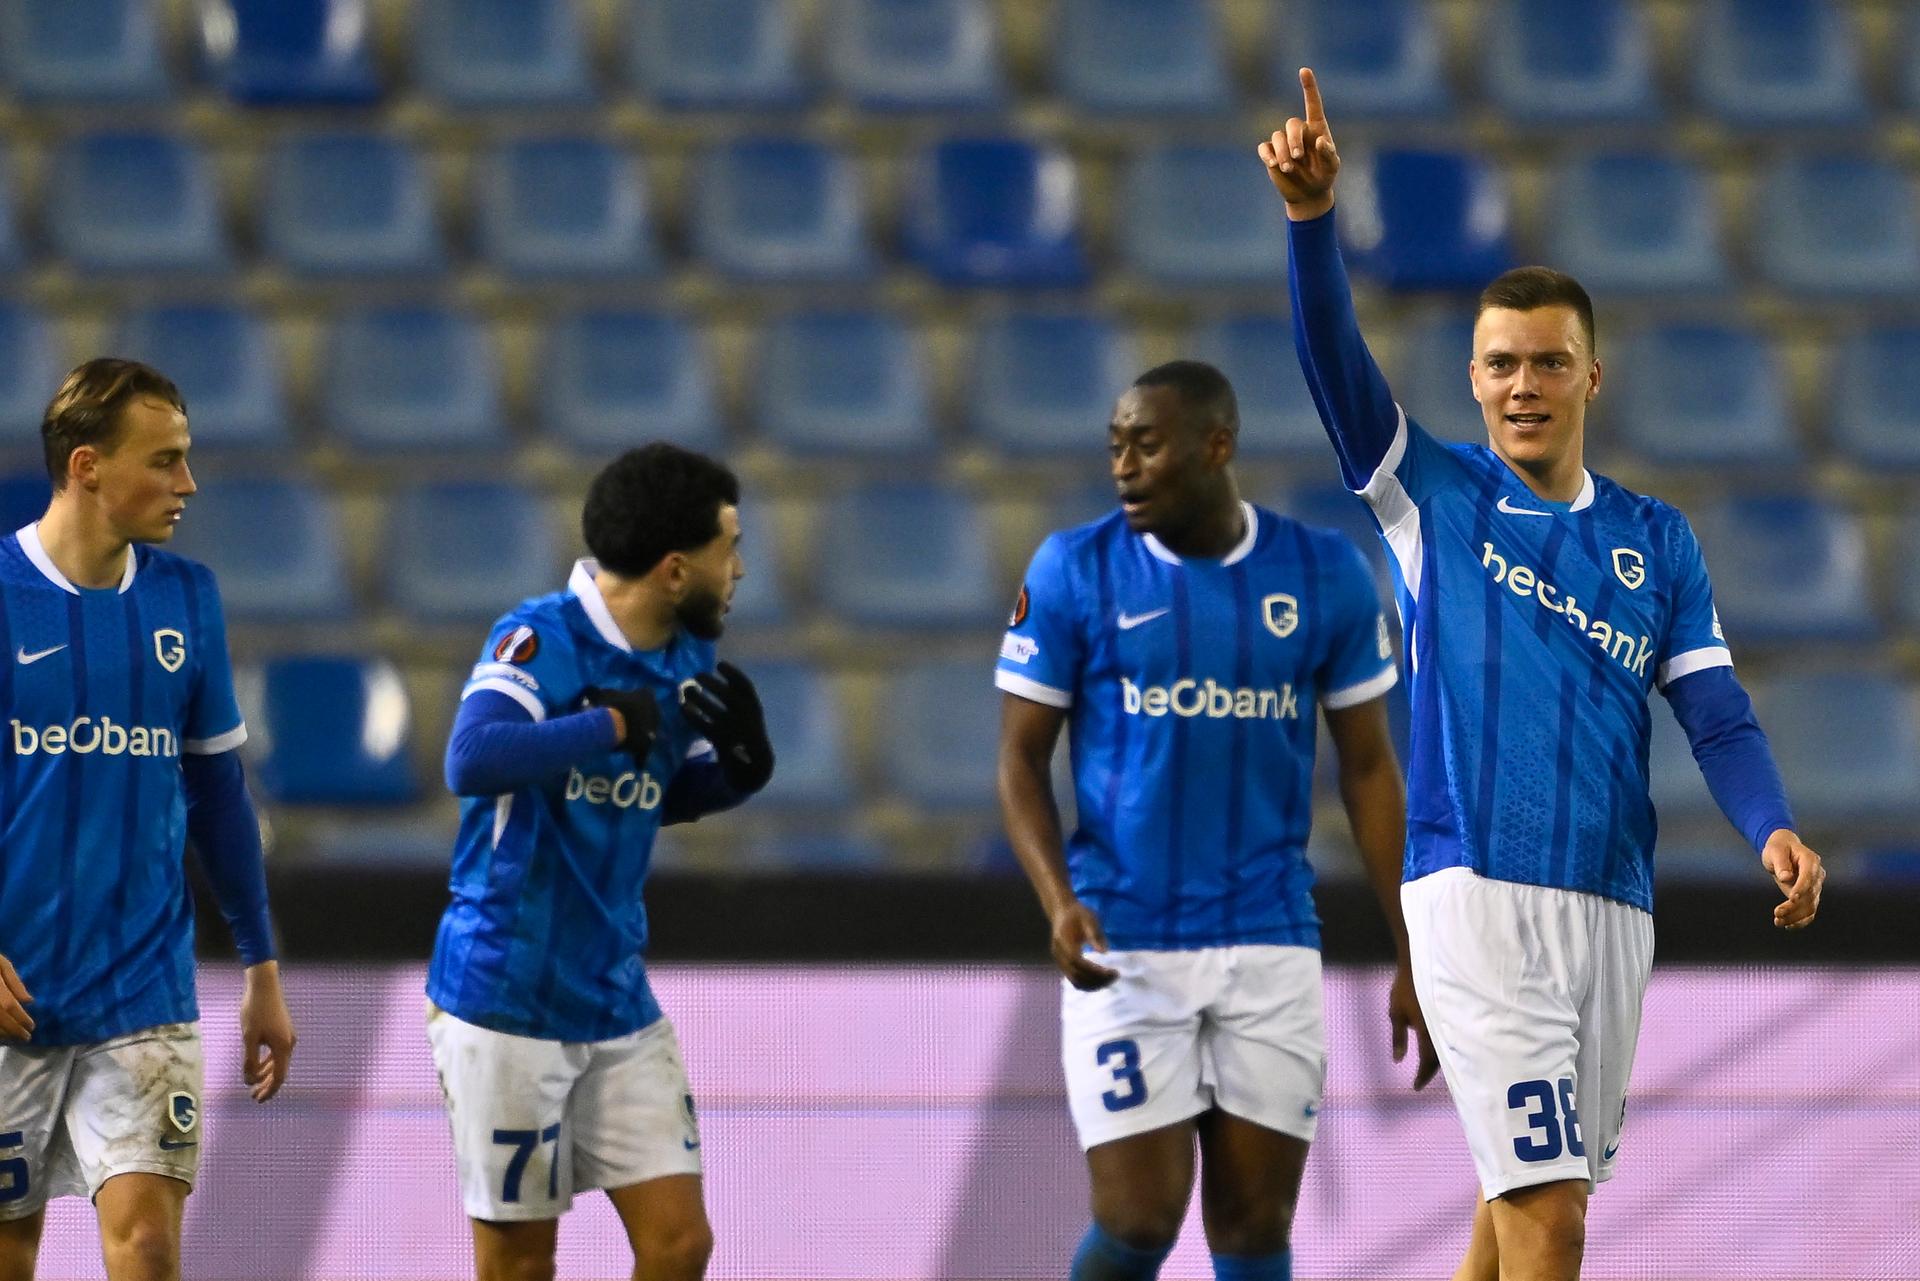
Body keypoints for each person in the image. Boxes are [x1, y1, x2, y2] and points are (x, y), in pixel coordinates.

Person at [1259, 69, 1827, 1281]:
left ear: (1591, 379)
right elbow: (1333, 366)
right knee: (1552, 1214)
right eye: (1503, 364)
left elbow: (1715, 716)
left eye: (1550, 364)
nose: (1524, 385)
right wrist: (1313, 226)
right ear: (1474, 380)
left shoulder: (1657, 540)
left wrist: (1771, 826)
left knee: (1517, 1199)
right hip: (1475, 886)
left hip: (1611, 901)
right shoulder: (1431, 498)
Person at [995, 360, 1438, 1281]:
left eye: (1146, 445)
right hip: (1127, 940)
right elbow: (1020, 760)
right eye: (1115, 445)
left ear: (1217, 445)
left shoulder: (1323, 574)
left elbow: (1368, 769)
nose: (1123, 465)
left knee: (1252, 1227)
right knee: (1138, 1216)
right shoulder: (1074, 569)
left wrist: (1414, 950)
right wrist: (1057, 902)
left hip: (1270, 942)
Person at [426, 442, 774, 1281]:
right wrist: (608, 726)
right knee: (518, 1262)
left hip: (615, 994)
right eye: (730, 546)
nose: (741, 567)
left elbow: (656, 793)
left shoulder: (687, 660)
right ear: (674, 568)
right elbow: (469, 760)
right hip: (506, 994)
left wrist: (739, 772)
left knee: (680, 1244)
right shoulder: (540, 637)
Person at [0, 359, 296, 1281]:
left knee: (148, 1241)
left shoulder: (187, 597)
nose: (188, 484)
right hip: (14, 994)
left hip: (143, 991)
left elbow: (216, 792)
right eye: (165, 461)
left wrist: (261, 962)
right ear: (87, 466)